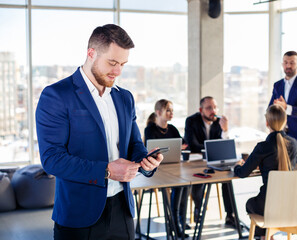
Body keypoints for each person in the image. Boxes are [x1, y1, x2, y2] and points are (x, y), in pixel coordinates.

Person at [35, 24, 163, 240]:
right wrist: (107, 171)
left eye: (123, 64)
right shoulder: (57, 95)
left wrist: (145, 161)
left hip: (123, 211)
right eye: (112, 62)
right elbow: (52, 160)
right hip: (78, 216)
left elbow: (134, 144)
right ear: (91, 53)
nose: (118, 71)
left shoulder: (125, 97)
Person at [234, 104, 297, 239]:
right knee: (261, 204)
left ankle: (264, 237)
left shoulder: (263, 147)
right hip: (290, 205)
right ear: (285, 121)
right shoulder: (293, 144)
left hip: (267, 205)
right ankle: (268, 237)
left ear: (267, 123)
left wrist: (237, 165)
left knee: (250, 204)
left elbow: (242, 173)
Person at [184, 96, 235, 227]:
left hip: (214, 161)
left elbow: (223, 145)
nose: (213, 110)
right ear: (201, 110)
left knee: (227, 179)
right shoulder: (191, 121)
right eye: (209, 108)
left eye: (215, 107)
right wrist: (212, 149)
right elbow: (192, 144)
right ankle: (198, 210)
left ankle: (230, 215)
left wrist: (225, 130)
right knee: (198, 180)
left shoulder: (219, 122)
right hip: (196, 162)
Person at [144, 99, 189, 238]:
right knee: (178, 185)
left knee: (185, 184)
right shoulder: (150, 129)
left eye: (172, 110)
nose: (171, 113)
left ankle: (180, 221)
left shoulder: (173, 128)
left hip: (173, 166)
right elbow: (150, 149)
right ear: (158, 112)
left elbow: (185, 144)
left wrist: (180, 146)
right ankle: (175, 224)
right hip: (157, 170)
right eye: (168, 110)